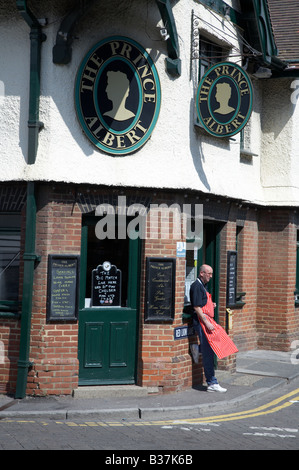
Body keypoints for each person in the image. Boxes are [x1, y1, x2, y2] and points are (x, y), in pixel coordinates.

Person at [190, 264, 227, 393]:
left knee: (213, 348)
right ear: (201, 273)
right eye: (209, 274)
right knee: (208, 353)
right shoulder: (196, 286)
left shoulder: (202, 286)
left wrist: (212, 305)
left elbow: (202, 304)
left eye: (211, 274)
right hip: (202, 323)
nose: (211, 276)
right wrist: (206, 323)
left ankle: (197, 348)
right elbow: (196, 307)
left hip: (205, 322)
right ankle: (211, 382)